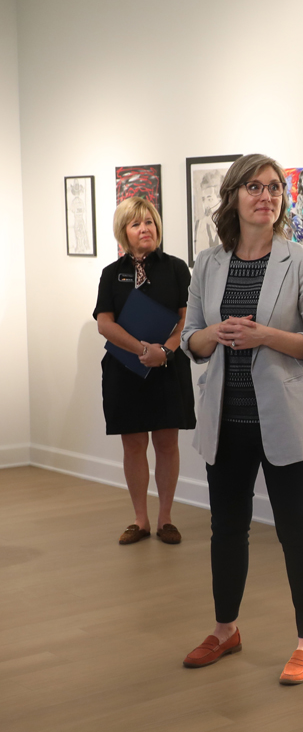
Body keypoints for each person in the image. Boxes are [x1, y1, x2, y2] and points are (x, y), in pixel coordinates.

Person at [180, 153, 303, 686]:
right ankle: (226, 630)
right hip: (226, 420)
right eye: (254, 187)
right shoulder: (209, 262)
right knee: (226, 529)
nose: (266, 196)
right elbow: (191, 341)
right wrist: (215, 335)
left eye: (274, 188)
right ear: (234, 198)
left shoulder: (302, 260)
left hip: (286, 422)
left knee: (297, 530)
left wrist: (264, 336)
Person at [94, 196, 196, 545]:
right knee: (133, 444)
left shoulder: (177, 268)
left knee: (167, 443)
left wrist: (164, 352)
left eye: (149, 222)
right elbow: (104, 324)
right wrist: (141, 350)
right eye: (137, 224)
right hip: (126, 369)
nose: (145, 229)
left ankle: (166, 519)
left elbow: (188, 320)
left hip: (168, 368)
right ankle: (141, 520)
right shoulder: (111, 274)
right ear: (123, 232)